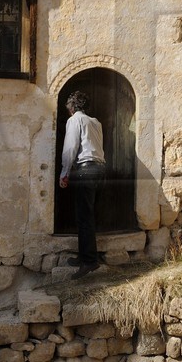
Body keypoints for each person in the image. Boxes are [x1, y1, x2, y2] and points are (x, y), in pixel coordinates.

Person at [58, 89, 106, 277]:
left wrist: (64, 173)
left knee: (84, 217)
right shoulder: (96, 122)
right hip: (100, 169)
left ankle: (89, 262)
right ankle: (85, 255)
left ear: (71, 108)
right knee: (89, 215)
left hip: (85, 170)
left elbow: (70, 149)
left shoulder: (74, 120)